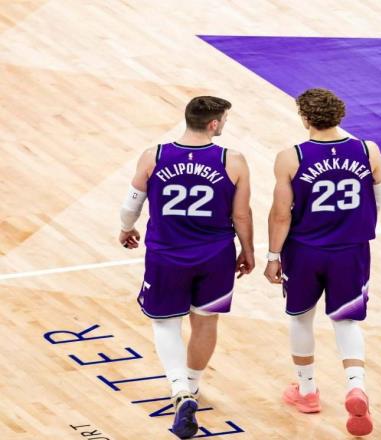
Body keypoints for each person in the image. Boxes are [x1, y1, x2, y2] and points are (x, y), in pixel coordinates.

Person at [118, 96, 254, 439]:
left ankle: (180, 390)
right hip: (215, 256)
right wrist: (249, 249)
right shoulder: (233, 160)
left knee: (165, 323)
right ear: (213, 124)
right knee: (205, 321)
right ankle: (192, 385)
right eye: (224, 119)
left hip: (166, 255)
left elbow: (132, 203)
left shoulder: (154, 155)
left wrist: (126, 228)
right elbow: (241, 214)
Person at [264, 88, 381, 436]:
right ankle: (355, 386)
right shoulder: (368, 150)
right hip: (350, 250)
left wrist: (273, 256)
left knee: (301, 318)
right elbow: (378, 199)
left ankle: (307, 391)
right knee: (347, 321)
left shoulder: (291, 157)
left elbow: (281, 214)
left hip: (305, 251)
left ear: (305, 117)